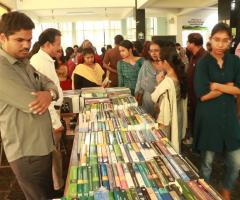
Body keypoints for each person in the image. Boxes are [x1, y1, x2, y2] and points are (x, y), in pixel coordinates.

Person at [0, 11, 59, 199]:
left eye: (29, 39)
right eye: (19, 40)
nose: (26, 45)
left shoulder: (24, 61)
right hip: (27, 152)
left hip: (41, 146)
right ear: (3, 38)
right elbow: (33, 103)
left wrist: (49, 94)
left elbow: (51, 84)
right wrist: (46, 95)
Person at [193, 22, 240, 200]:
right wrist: (229, 86)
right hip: (209, 119)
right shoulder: (204, 62)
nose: (221, 44)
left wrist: (216, 85)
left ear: (230, 42)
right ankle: (201, 192)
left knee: (236, 163)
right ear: (210, 40)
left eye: (225, 40)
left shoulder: (235, 61)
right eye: (217, 40)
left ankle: (227, 188)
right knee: (207, 163)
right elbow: (202, 95)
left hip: (230, 119)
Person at [30, 28, 64, 191]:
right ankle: (55, 189)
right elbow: (43, 98)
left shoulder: (46, 60)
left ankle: (56, 186)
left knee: (54, 155)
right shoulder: (39, 62)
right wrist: (55, 122)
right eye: (58, 44)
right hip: (49, 117)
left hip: (53, 113)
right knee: (52, 156)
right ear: (48, 44)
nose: (60, 48)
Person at [151, 46, 188, 153]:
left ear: (166, 62)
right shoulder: (179, 75)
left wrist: (158, 82)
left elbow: (154, 97)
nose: (158, 63)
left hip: (166, 119)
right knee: (174, 142)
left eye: (159, 61)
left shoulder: (167, 82)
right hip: (177, 114)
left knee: (166, 147)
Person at [185, 33, 207, 145]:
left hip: (200, 98)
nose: (187, 44)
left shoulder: (204, 57)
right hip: (193, 97)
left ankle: (200, 146)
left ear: (193, 43)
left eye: (188, 42)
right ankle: (195, 142)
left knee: (201, 123)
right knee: (193, 120)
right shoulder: (193, 56)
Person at [135, 41, 162, 116]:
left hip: (162, 98)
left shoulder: (166, 64)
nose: (153, 53)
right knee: (149, 119)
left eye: (156, 50)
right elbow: (140, 81)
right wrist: (138, 96)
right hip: (148, 98)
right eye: (151, 51)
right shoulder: (146, 64)